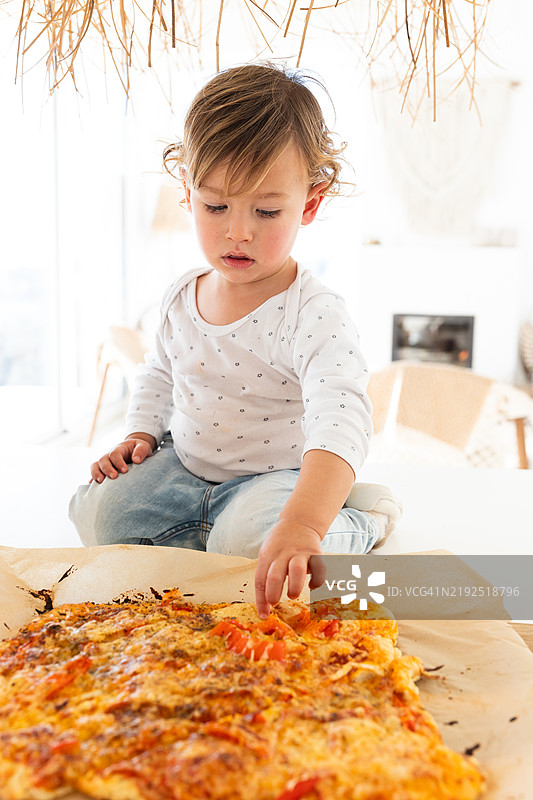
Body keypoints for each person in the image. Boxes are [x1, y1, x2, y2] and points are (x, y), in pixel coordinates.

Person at [69, 63, 401, 619]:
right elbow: (158, 373)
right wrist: (139, 433)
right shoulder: (181, 295)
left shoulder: (314, 312)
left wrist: (302, 523)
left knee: (249, 549)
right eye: (216, 206)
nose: (237, 231)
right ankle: (214, 529)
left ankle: (351, 517)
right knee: (102, 516)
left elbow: (341, 419)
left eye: (266, 210)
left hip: (278, 480)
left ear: (310, 205)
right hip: (185, 467)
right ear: (188, 194)